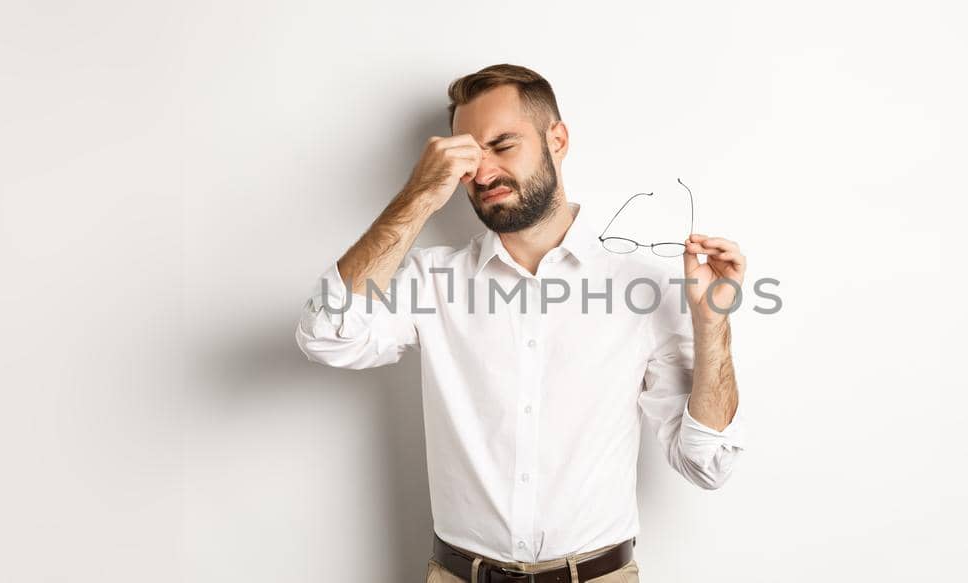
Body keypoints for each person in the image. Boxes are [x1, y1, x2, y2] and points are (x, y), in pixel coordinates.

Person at [296, 63, 747, 583]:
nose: (482, 173)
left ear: (557, 139)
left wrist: (713, 325)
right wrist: (418, 195)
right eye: (465, 156)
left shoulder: (641, 285)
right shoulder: (431, 279)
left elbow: (708, 464)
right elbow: (326, 335)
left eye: (502, 145)